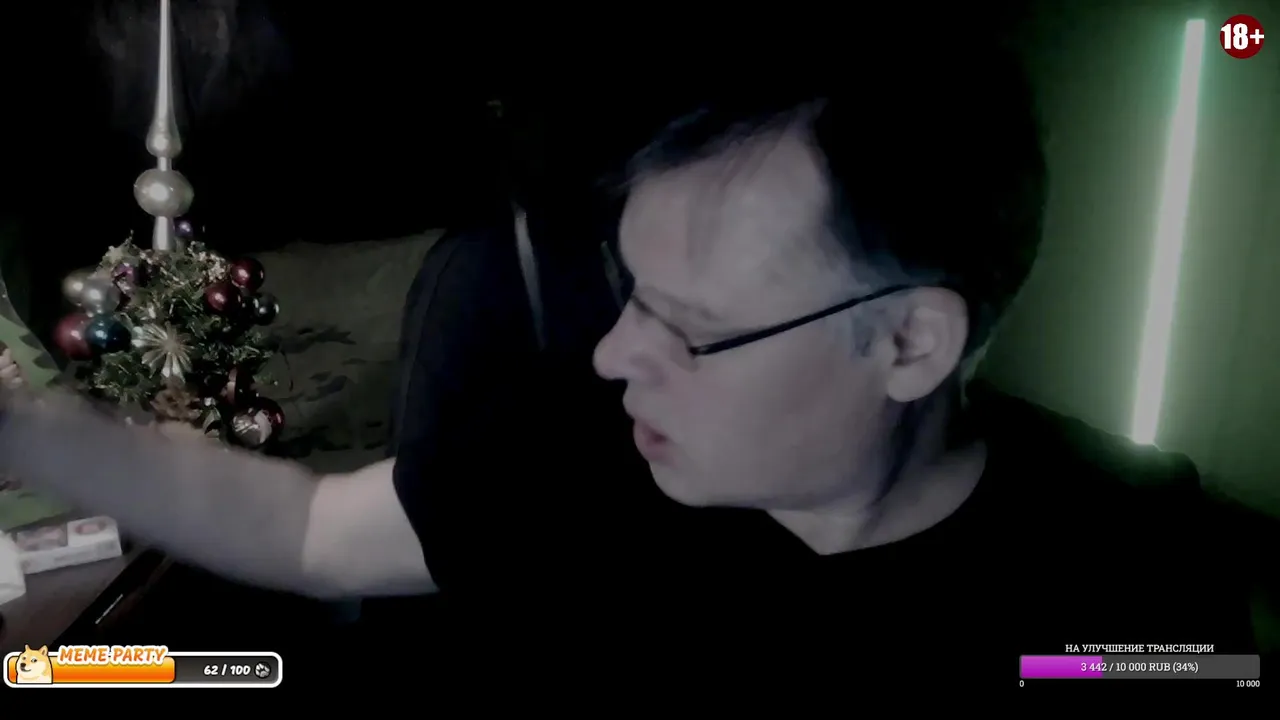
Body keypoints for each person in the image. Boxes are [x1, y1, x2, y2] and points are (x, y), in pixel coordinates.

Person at [0, 48, 1257, 674]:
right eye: (627, 296)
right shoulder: (582, 463)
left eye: (689, 323)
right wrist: (32, 428)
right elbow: (313, 531)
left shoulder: (1124, 566)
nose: (611, 355)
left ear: (907, 342)